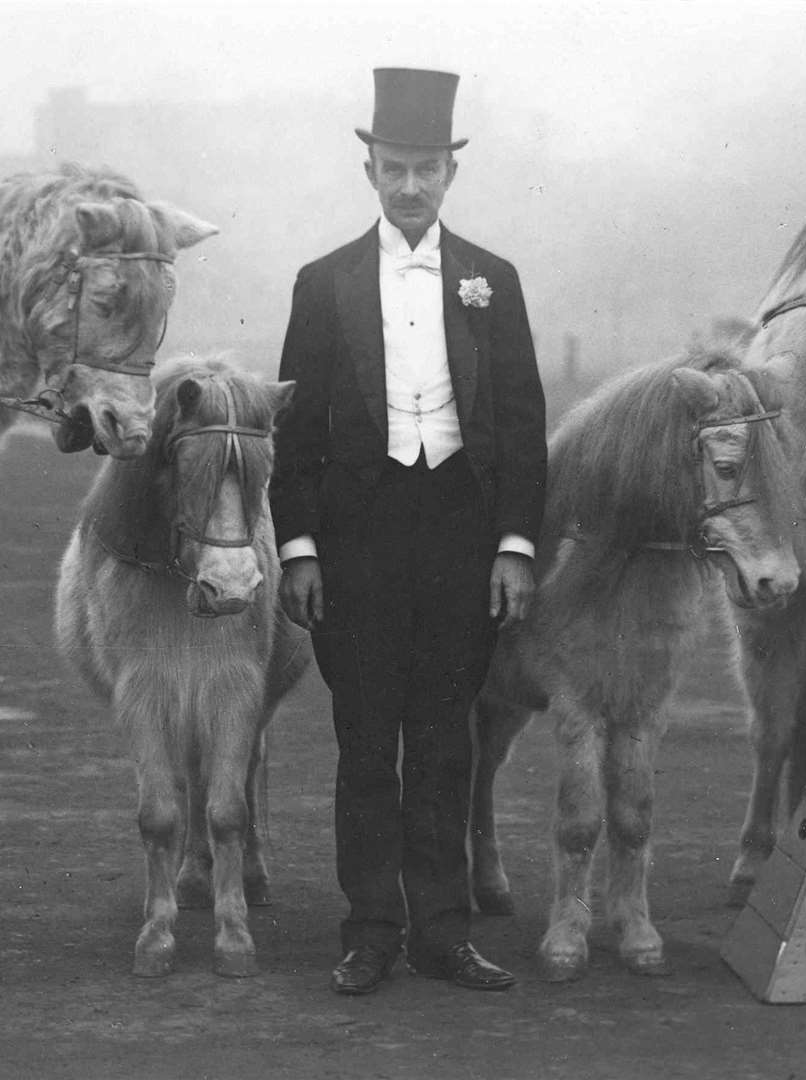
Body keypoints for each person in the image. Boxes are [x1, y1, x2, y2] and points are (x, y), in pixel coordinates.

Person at [270, 67, 547, 995]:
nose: (412, 184)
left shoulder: (491, 280)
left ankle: (443, 932)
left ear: (451, 173)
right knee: (364, 743)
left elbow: (522, 423)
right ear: (371, 172)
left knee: (444, 743)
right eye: (396, 167)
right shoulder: (324, 283)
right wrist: (300, 549)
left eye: (428, 167)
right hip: (357, 545)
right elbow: (295, 433)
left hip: (461, 542)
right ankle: (371, 930)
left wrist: (514, 546)